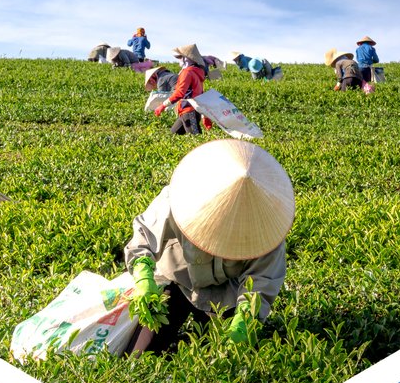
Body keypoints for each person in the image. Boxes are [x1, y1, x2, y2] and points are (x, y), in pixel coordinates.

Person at [122, 139, 295, 354]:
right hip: (178, 280)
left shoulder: (268, 230)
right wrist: (143, 277)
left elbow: (261, 282)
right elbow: (144, 236)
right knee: (139, 353)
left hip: (225, 294)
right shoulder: (178, 198)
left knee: (222, 357)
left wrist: (244, 320)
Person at [155, 44, 211, 136]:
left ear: (187, 59)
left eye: (181, 57)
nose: (179, 60)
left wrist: (163, 105)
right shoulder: (197, 73)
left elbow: (180, 93)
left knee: (196, 139)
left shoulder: (187, 72)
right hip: (186, 111)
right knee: (173, 135)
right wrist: (204, 115)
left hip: (189, 111)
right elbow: (200, 95)